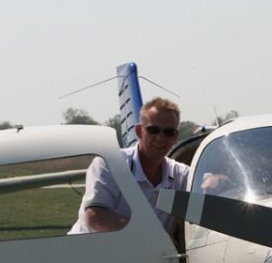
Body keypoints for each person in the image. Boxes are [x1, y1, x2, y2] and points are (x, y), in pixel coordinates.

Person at [69, 97, 189, 237]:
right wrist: (154, 236)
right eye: (153, 130)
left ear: (175, 137)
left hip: (142, 256)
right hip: (87, 253)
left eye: (169, 132)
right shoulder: (110, 163)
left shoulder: (181, 174)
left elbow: (207, 183)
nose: (161, 138)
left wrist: (216, 179)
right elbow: (96, 218)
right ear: (139, 131)